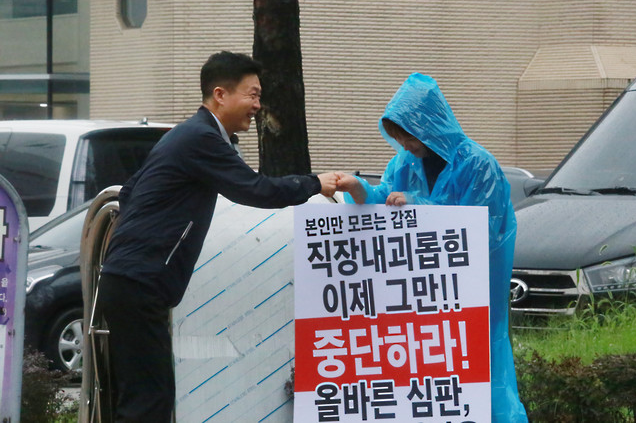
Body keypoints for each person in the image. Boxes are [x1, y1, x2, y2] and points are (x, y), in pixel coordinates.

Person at [97, 51, 337, 422]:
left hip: (131, 280)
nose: (257, 105)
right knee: (148, 402)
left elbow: (129, 193)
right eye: (252, 95)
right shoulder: (201, 138)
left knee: (144, 397)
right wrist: (314, 183)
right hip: (140, 282)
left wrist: (144, 237)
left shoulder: (187, 134)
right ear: (220, 95)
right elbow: (255, 190)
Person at [336, 72, 529, 422]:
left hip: (471, 290)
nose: (405, 144)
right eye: (399, 137)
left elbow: (479, 228)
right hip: (422, 293)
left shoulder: (477, 164)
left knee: (476, 358)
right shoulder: (404, 163)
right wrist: (359, 189)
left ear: (428, 126)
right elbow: (385, 200)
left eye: (408, 135)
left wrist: (417, 204)